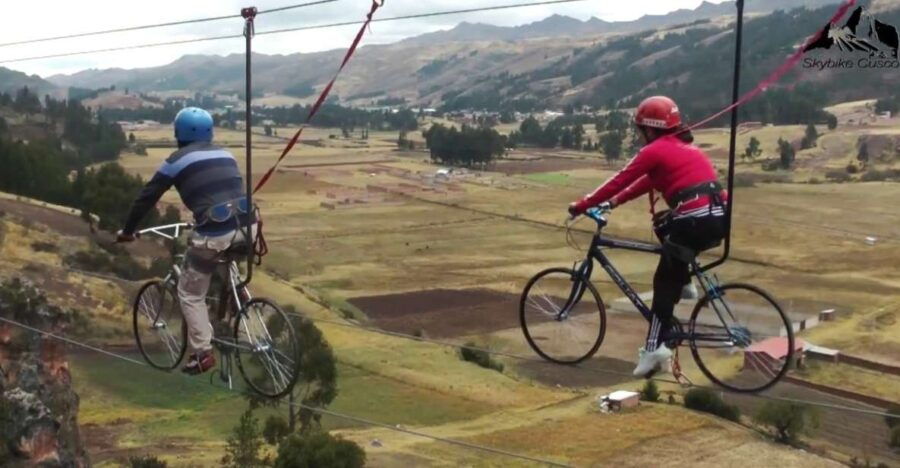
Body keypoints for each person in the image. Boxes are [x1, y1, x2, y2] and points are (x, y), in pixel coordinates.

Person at [568, 96, 727, 378]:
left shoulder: (654, 151)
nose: (640, 135)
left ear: (649, 130)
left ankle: (654, 348)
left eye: (640, 130)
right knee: (665, 222)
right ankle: (687, 284)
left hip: (695, 220)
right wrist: (614, 203)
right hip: (717, 217)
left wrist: (583, 204)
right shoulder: (682, 147)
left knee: (663, 283)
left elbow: (621, 178)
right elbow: (647, 182)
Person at [117, 107, 255, 375]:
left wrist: (128, 231)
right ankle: (240, 292)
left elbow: (147, 197)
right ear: (210, 131)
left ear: (178, 133)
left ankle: (202, 353)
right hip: (249, 226)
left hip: (216, 230)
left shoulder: (176, 160)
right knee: (225, 251)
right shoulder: (225, 153)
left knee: (190, 293)